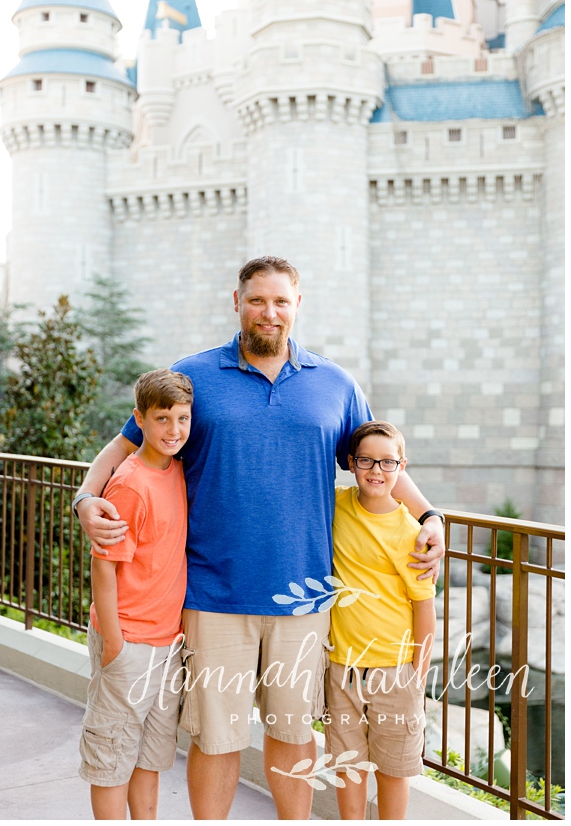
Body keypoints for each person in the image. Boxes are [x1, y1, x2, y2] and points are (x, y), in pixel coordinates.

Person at [71, 256, 445, 820]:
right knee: (216, 739)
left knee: (294, 736)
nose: (269, 313)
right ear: (237, 302)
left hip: (305, 600)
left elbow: (380, 458)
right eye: (257, 300)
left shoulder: (335, 385)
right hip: (214, 597)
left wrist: (430, 517)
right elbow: (124, 447)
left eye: (280, 301)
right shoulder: (195, 377)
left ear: (298, 306)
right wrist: (84, 500)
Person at [81, 370, 193, 820]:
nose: (174, 430)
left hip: (168, 643)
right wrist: (113, 644)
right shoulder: (129, 484)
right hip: (128, 641)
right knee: (111, 759)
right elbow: (103, 565)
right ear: (139, 420)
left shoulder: (177, 470)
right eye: (162, 419)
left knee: (150, 755)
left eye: (182, 419)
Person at [324, 421, 435, 820]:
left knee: (392, 770)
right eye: (367, 461)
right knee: (348, 766)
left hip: (395, 670)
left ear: (402, 466)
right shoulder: (336, 505)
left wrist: (417, 676)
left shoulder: (412, 534)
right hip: (343, 668)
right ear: (351, 463)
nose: (376, 471)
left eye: (388, 462)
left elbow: (424, 609)